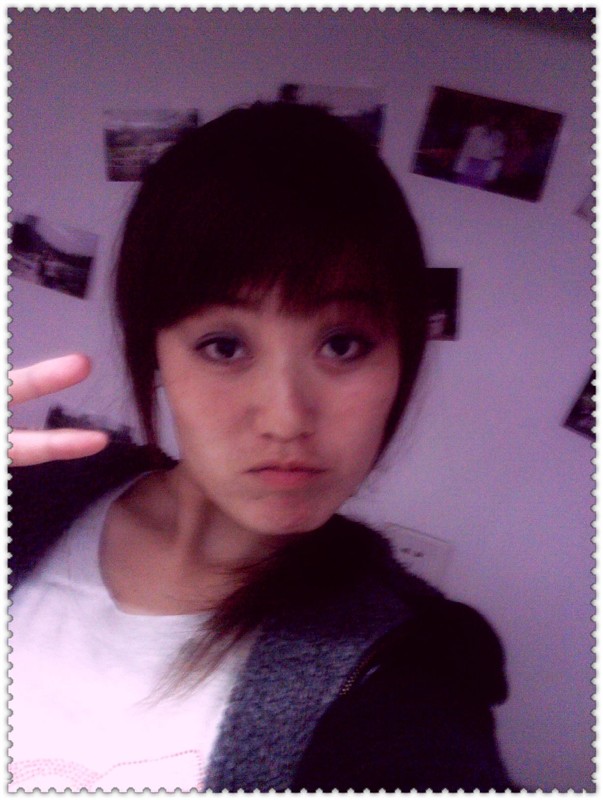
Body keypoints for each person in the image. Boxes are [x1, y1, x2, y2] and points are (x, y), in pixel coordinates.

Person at [8, 102, 513, 792]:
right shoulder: (26, 495)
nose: (285, 418)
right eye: (224, 346)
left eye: (343, 344)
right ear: (156, 354)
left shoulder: (409, 669)